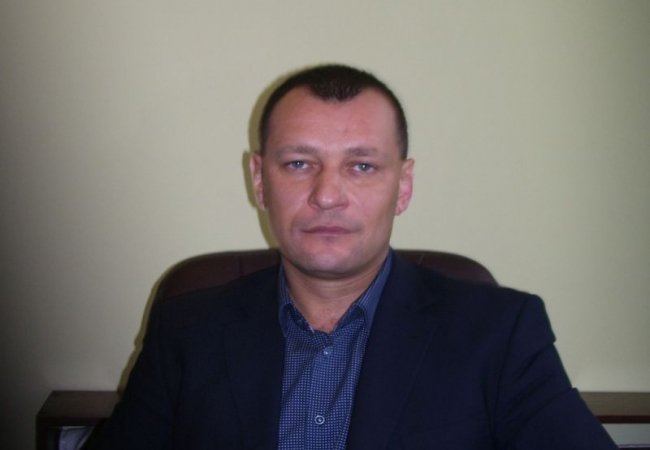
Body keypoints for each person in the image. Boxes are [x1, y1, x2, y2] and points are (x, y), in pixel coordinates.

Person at [94, 64, 617, 449]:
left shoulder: (501, 334)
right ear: (259, 180)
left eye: (362, 167)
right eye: (299, 164)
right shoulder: (186, 331)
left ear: (403, 186)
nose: (327, 195)